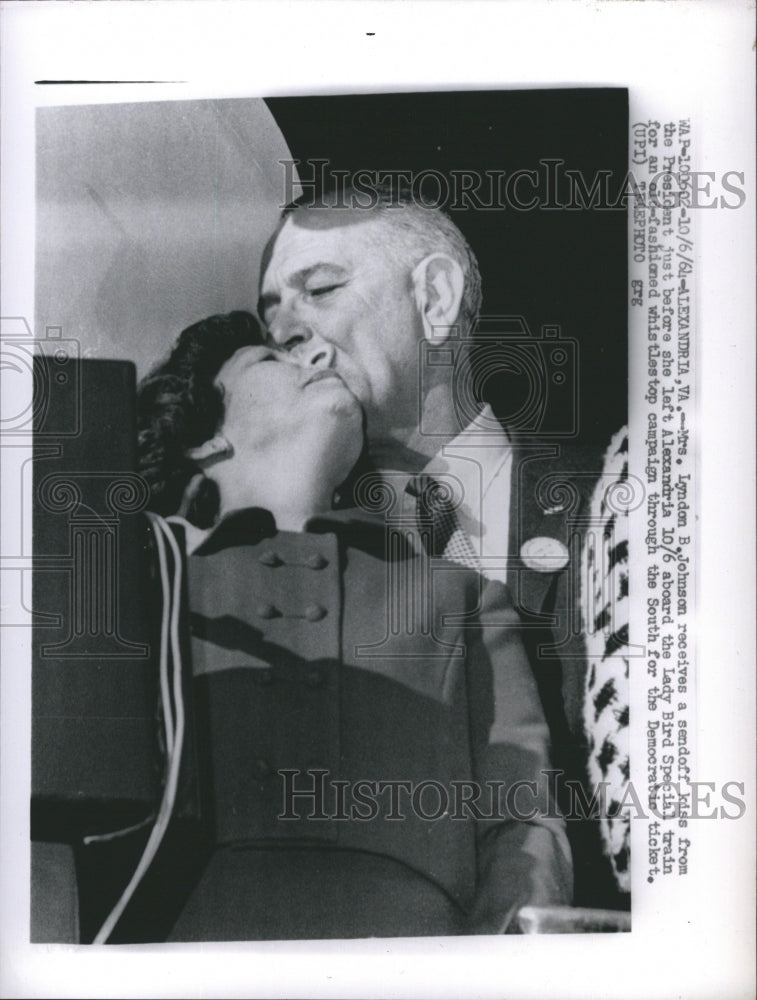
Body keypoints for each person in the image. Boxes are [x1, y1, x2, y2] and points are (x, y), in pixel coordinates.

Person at [130, 309, 572, 941]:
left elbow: (523, 823)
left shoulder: (463, 596)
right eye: (270, 359)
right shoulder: (151, 588)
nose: (316, 358)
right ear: (204, 439)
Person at [258, 185, 630, 906]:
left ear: (434, 299)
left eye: (321, 289)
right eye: (269, 317)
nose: (287, 331)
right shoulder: (282, 557)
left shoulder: (623, 496)